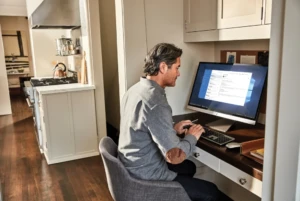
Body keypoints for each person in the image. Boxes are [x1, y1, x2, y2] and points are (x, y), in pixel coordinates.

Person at [118, 43, 233, 201]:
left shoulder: (135, 90)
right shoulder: (155, 102)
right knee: (211, 192)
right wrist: (192, 136)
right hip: (146, 176)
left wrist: (171, 129)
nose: (178, 73)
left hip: (133, 167)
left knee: (189, 167)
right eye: (177, 68)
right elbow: (175, 157)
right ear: (163, 67)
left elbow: (142, 127)